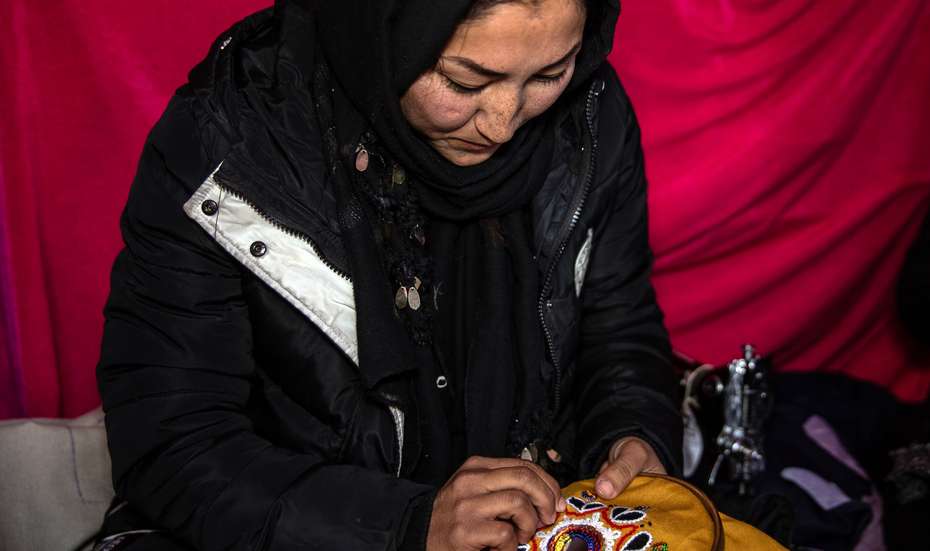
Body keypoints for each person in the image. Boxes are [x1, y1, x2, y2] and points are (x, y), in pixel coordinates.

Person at [95, 0, 683, 549]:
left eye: (549, 74)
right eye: (464, 82)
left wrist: (631, 435)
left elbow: (619, 325)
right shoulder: (226, 144)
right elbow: (170, 444)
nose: (503, 124)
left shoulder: (588, 115)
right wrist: (405, 526)